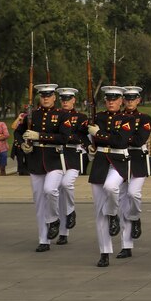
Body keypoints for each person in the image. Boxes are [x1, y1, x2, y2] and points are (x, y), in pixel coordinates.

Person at [15, 83, 68, 252]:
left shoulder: (62, 115)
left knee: (50, 190)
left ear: (54, 97)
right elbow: (18, 132)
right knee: (39, 201)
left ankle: (54, 219)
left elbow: (64, 137)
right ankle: (43, 239)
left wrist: (40, 136)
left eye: (49, 95)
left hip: (54, 160)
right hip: (35, 160)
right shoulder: (33, 115)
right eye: (43, 96)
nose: (45, 98)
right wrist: (23, 144)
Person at [88, 86, 132, 267]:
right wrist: (89, 143)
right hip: (99, 162)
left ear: (121, 101)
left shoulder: (126, 119)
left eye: (115, 99)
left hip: (118, 162)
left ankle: (113, 214)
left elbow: (120, 141)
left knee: (111, 187)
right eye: (108, 99)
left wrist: (98, 134)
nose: (111, 102)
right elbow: (84, 136)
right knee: (99, 212)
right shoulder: (97, 117)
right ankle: (104, 252)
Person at [117, 85, 151, 259]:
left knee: (133, 194)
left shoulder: (144, 118)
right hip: (120, 160)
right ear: (123, 100)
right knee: (122, 201)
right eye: (127, 99)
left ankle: (135, 216)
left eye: (133, 99)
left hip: (137, 160)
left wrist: (121, 138)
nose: (130, 102)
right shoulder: (117, 117)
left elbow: (139, 140)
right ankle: (126, 244)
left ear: (138, 100)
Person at [55, 87, 89, 246]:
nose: (65, 102)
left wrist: (66, 137)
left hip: (73, 156)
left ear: (74, 100)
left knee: (66, 184)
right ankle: (63, 232)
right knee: (57, 194)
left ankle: (70, 211)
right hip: (55, 156)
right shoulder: (55, 115)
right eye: (63, 99)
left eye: (68, 99)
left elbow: (83, 137)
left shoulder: (81, 117)